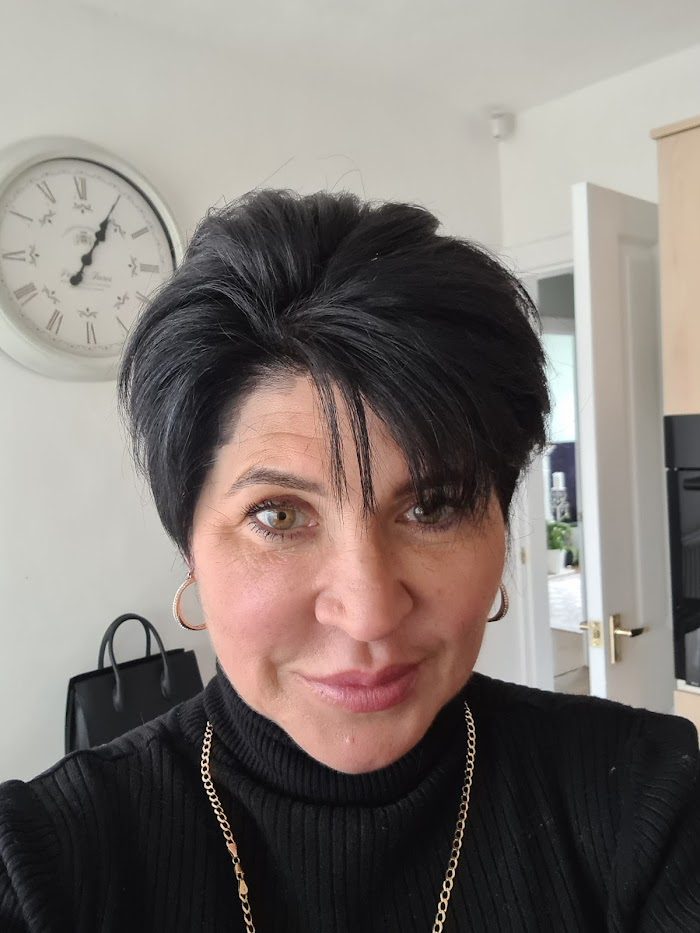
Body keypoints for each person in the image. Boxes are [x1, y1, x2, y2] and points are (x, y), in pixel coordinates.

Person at [0, 189, 698, 933]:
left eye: (432, 507)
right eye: (278, 515)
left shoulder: (645, 798)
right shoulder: (47, 866)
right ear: (190, 546)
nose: (368, 613)